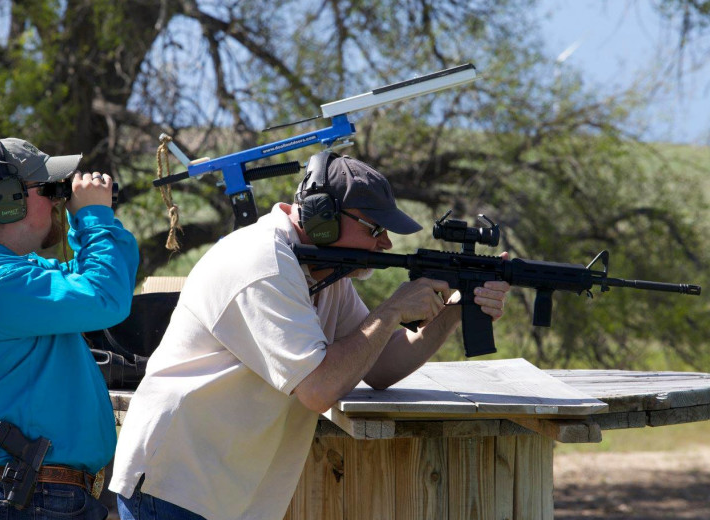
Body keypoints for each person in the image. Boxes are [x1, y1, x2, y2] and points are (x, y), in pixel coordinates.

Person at [110, 152, 509, 520]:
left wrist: (458, 304)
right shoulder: (263, 264)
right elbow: (319, 388)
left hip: (220, 485)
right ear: (322, 218)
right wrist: (390, 312)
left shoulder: (323, 271)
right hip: (176, 482)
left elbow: (380, 364)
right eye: (375, 229)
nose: (385, 243)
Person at [0, 137, 139, 519]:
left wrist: (89, 223)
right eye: (49, 190)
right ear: (9, 199)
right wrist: (93, 218)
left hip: (33, 492)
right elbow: (104, 295)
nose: (59, 200)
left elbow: (86, 282)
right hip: (27, 495)